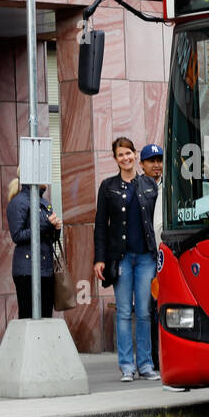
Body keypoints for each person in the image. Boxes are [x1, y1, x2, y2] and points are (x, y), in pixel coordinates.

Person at [93, 137, 159, 382]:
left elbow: (157, 222)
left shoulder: (149, 185)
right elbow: (100, 225)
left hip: (145, 258)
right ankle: (127, 366)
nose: (126, 158)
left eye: (129, 153)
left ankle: (145, 364)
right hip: (120, 258)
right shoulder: (108, 186)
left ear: (135, 154)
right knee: (123, 312)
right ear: (115, 159)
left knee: (143, 311)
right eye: (120, 155)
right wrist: (99, 259)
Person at [6, 175, 62, 318]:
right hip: (27, 269)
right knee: (27, 316)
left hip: (46, 269)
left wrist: (56, 228)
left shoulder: (44, 202)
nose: (47, 177)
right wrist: (46, 224)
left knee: (46, 316)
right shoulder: (18, 202)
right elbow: (17, 235)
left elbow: (50, 238)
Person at [139, 143, 165, 371]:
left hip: (168, 253)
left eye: (159, 160)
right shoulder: (138, 187)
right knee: (149, 307)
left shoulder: (170, 185)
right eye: (151, 161)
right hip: (148, 256)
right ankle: (152, 359)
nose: (157, 165)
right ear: (143, 164)